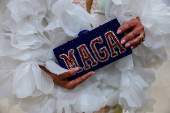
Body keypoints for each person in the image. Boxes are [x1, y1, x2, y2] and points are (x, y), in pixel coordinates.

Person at [0, 0, 169, 113]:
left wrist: (144, 24)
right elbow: (10, 46)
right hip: (62, 103)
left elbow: (155, 13)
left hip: (117, 97)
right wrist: (43, 74)